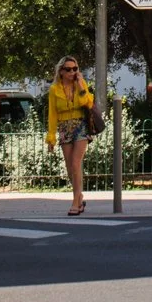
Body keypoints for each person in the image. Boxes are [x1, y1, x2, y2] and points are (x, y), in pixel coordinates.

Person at [46, 55, 100, 216]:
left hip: (80, 126)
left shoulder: (81, 85)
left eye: (75, 69)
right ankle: (80, 195)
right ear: (61, 71)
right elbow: (52, 114)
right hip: (64, 127)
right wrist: (51, 137)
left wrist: (81, 84)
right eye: (68, 69)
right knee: (70, 167)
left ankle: (76, 201)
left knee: (76, 164)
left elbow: (88, 103)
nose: (72, 72)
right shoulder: (54, 89)